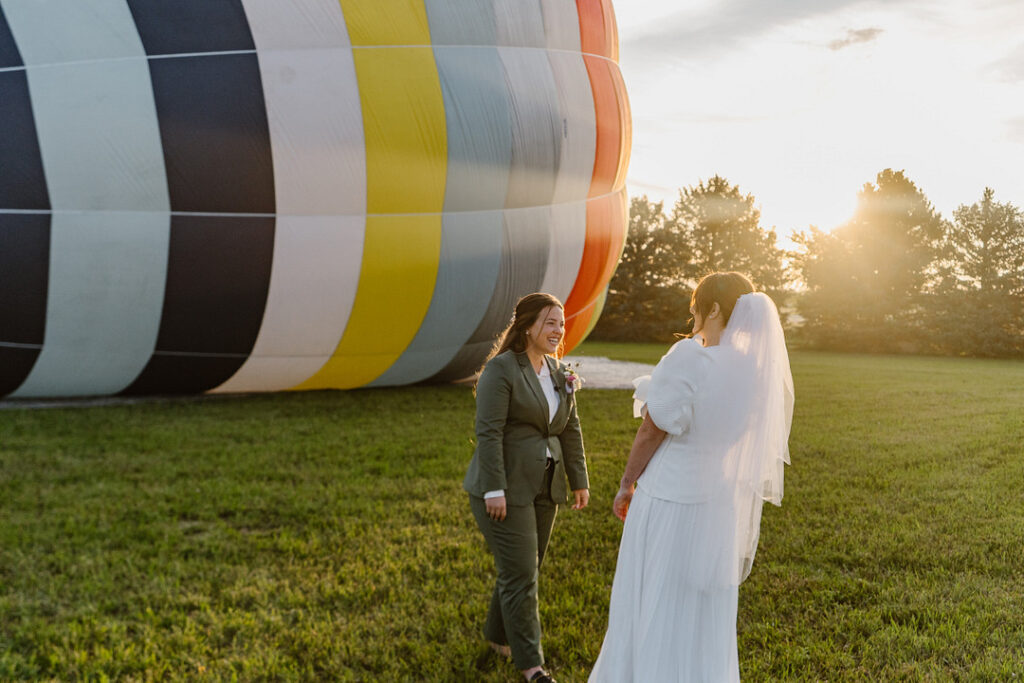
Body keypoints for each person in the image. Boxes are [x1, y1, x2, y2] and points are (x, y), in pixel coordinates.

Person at [589, 272, 794, 682]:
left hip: (669, 497)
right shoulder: (755, 373)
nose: (693, 314)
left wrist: (626, 483)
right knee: (702, 607)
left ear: (714, 309)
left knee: (655, 598)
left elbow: (652, 428)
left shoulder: (690, 356)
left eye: (696, 305)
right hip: (717, 501)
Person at [464, 292, 591, 683]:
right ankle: (532, 666)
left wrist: (578, 479)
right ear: (527, 325)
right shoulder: (502, 370)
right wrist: (493, 489)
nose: (559, 330)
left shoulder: (558, 371)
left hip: (545, 487)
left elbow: (570, 427)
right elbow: (488, 432)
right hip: (505, 488)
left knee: (524, 568)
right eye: (551, 322)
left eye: (562, 323)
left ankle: (497, 639)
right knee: (522, 575)